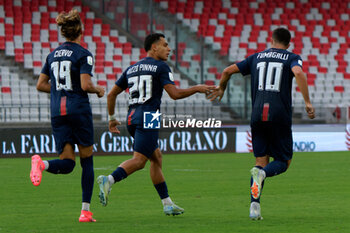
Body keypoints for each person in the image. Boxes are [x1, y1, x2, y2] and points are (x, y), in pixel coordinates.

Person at [97, 33, 214, 215]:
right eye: (165, 45)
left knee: (156, 157)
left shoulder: (132, 68)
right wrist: (197, 88)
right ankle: (109, 179)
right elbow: (174, 94)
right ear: (154, 47)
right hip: (149, 116)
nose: (169, 49)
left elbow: (111, 94)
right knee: (139, 161)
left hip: (131, 116)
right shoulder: (161, 67)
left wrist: (112, 118)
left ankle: (167, 203)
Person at [208, 27, 315, 220]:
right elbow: (299, 73)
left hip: (257, 114)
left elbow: (227, 71)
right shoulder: (292, 57)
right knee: (283, 162)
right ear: (288, 44)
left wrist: (221, 88)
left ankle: (254, 207)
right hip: (279, 114)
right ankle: (264, 174)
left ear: (271, 40)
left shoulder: (255, 57)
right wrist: (307, 102)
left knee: (259, 163)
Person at [30, 9, 105, 222]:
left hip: (57, 112)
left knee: (68, 162)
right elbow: (84, 84)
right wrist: (98, 89)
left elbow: (40, 84)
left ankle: (41, 164)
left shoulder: (52, 55)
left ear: (63, 32)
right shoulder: (83, 54)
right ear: (80, 31)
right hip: (78, 110)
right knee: (87, 161)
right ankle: (85, 212)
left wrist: (59, 90)